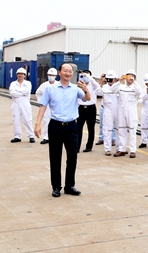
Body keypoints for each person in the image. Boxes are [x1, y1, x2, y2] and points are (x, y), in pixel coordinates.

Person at [34, 63, 91, 197]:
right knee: (55, 157)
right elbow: (43, 106)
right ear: (59, 72)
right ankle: (56, 187)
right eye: (65, 71)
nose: (68, 73)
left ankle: (69, 186)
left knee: (72, 157)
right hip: (55, 126)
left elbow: (87, 98)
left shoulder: (76, 88)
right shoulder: (50, 89)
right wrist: (37, 124)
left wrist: (86, 89)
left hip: (71, 127)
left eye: (70, 71)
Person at [112, 69, 142, 158]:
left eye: (132, 76)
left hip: (131, 111)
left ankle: (133, 150)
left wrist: (134, 82)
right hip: (121, 110)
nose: (130, 78)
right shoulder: (121, 87)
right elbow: (113, 89)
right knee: (121, 130)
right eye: (128, 76)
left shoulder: (135, 87)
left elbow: (140, 92)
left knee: (132, 131)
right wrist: (119, 81)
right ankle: (122, 149)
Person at [95, 70, 119, 156]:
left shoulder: (119, 87)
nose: (110, 81)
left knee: (118, 129)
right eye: (108, 79)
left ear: (115, 79)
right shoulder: (104, 87)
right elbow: (98, 92)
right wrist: (101, 82)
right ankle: (107, 149)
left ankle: (119, 149)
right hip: (108, 109)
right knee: (107, 129)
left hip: (118, 110)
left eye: (112, 79)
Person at [77, 70, 100, 153]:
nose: (85, 78)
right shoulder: (78, 85)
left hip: (91, 108)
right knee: (78, 128)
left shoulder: (93, 85)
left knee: (91, 128)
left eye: (87, 76)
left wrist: (89, 77)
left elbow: (97, 85)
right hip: (81, 108)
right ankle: (77, 147)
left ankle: (89, 146)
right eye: (83, 76)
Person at [9, 67, 35, 143]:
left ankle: (31, 136)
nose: (20, 75)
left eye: (22, 74)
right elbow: (12, 93)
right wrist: (21, 93)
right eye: (18, 74)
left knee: (27, 119)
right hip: (15, 103)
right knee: (16, 120)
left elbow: (27, 92)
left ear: (24, 75)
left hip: (25, 103)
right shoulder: (13, 83)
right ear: (16, 75)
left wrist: (17, 92)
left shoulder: (28, 83)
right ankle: (17, 136)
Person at [35, 68, 58, 144]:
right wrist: (41, 102)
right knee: (46, 121)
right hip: (46, 106)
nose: (51, 76)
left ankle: (55, 136)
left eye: (52, 75)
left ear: (55, 76)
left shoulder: (58, 85)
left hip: (56, 106)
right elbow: (38, 93)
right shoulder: (44, 85)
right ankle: (46, 137)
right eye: (49, 75)